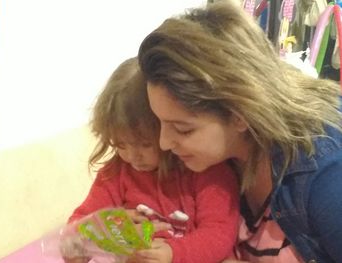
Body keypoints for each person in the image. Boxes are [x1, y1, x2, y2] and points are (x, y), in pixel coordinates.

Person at [137, 2, 342, 263]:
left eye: (183, 129)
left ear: (240, 114)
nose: (164, 143)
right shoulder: (214, 160)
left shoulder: (327, 172)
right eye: (159, 123)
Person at [65, 57, 240, 263]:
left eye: (144, 144)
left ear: (167, 129)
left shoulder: (205, 170)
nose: (132, 156)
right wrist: (93, 234)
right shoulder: (116, 173)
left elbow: (219, 234)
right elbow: (76, 228)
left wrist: (173, 253)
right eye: (120, 145)